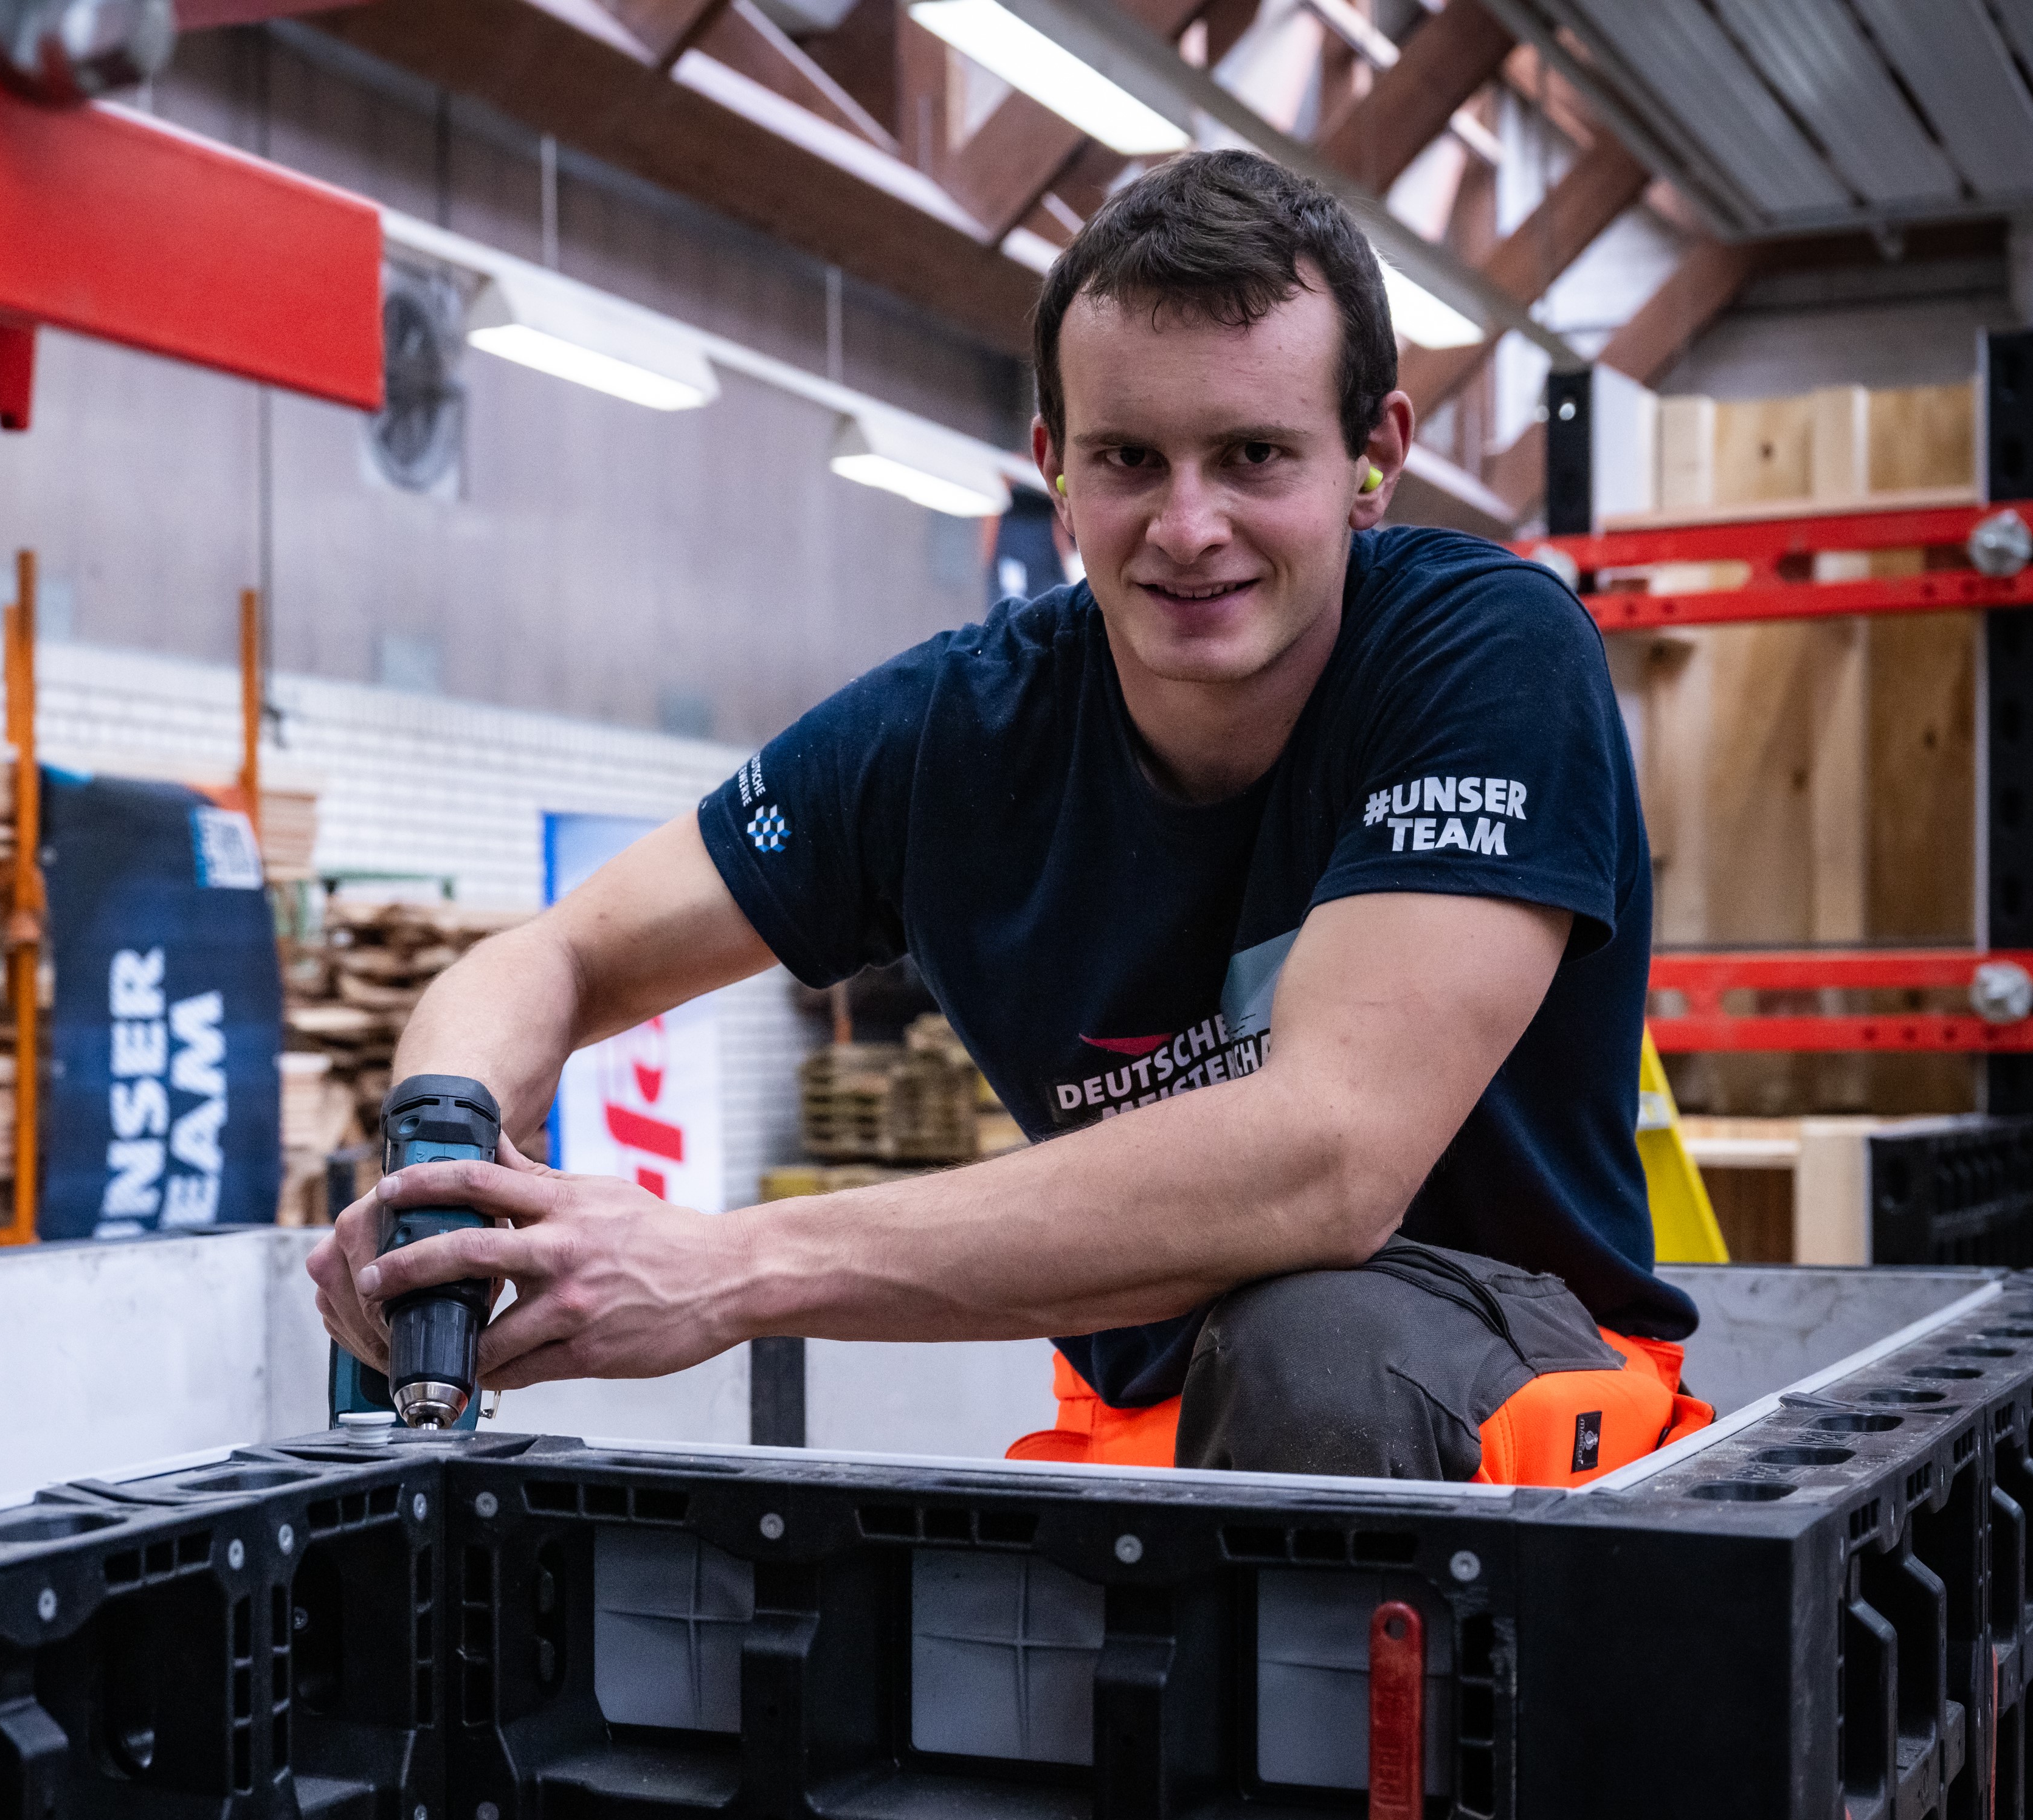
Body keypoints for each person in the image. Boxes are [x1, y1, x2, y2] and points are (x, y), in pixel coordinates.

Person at [309, 149, 1710, 1483]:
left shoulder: (1487, 655)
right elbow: (552, 956)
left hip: (1516, 1419)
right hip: (1146, 1421)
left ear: (1372, 455)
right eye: (1127, 460)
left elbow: (1330, 1159)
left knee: (1320, 1349)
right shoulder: (954, 734)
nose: (1186, 524)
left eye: (1253, 456)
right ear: (1053, 462)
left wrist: (725, 1266)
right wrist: (435, 1179)